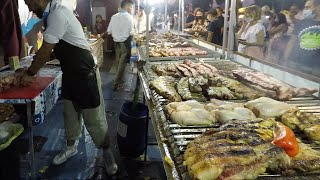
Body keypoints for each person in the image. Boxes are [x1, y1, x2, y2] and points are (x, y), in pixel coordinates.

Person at [22, 0, 118, 177]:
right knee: (70, 115)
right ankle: (71, 147)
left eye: (30, 2)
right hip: (70, 75)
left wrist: (30, 72)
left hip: (85, 75)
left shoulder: (58, 13)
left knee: (94, 118)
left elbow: (46, 49)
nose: (29, 8)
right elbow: (54, 49)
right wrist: (36, 62)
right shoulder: (51, 16)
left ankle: (106, 152)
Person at [284, 0, 320, 75]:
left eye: (308, 7)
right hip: (296, 62)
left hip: (316, 67)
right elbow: (291, 42)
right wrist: (285, 59)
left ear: (318, 8)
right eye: (305, 8)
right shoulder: (300, 23)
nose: (305, 10)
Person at [107, 0, 133, 91]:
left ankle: (119, 81)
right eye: (130, 6)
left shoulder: (114, 17)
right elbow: (132, 32)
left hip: (116, 43)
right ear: (127, 6)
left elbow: (109, 31)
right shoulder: (129, 17)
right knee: (122, 64)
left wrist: (117, 33)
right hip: (124, 43)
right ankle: (116, 83)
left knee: (118, 62)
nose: (131, 8)